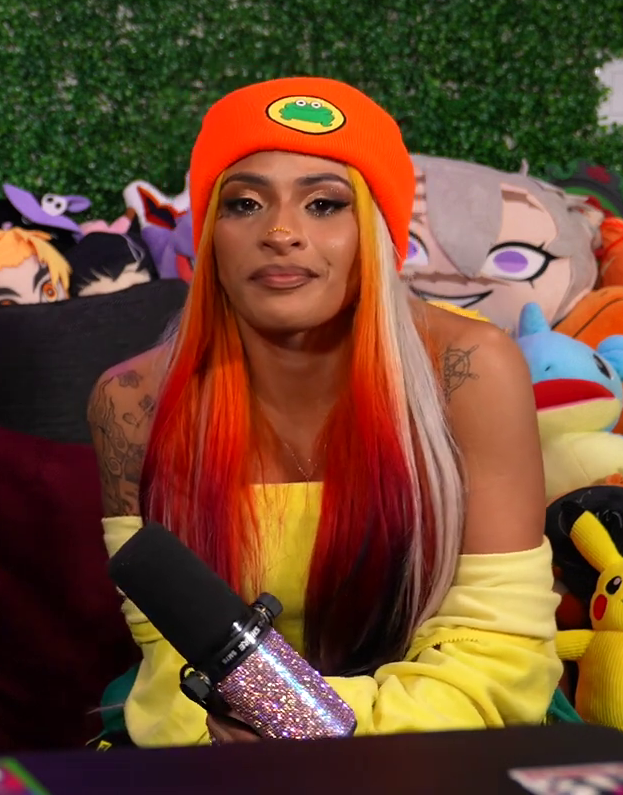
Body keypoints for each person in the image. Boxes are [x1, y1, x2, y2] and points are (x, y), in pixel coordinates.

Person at [89, 76, 561, 748]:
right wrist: (247, 739)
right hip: (211, 746)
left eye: (324, 204)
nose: (281, 232)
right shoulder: (132, 402)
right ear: (210, 234)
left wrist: (302, 726)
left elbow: (497, 659)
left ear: (377, 232)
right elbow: (172, 663)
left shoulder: (472, 371)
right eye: (245, 203)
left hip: (441, 741)